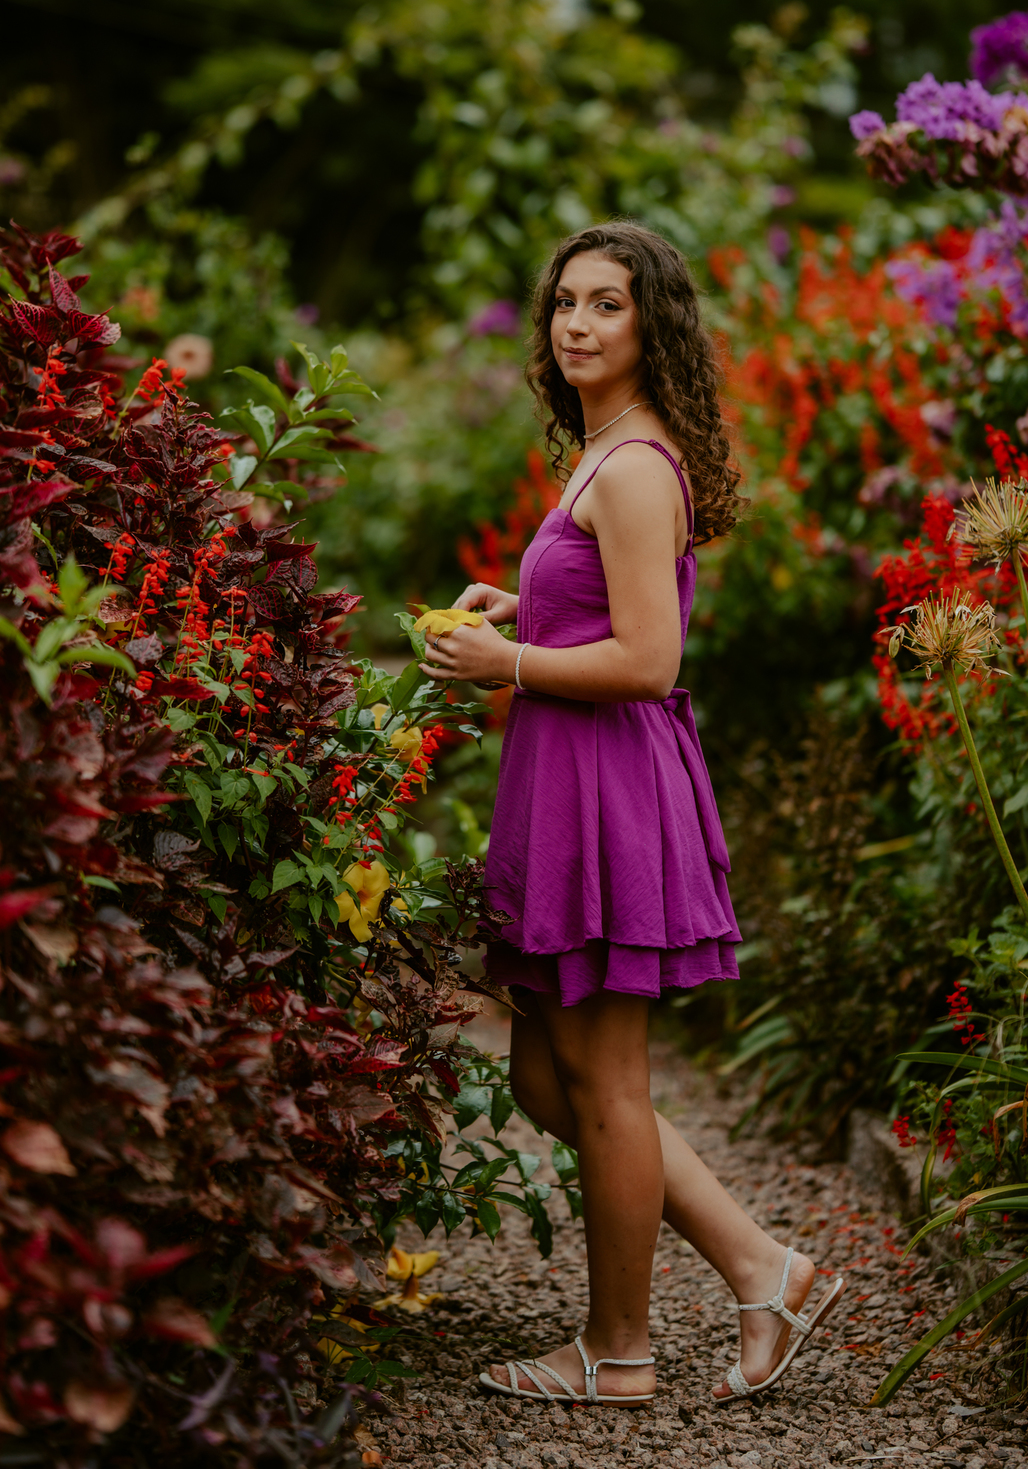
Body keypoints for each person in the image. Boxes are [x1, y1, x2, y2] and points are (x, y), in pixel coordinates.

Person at [417, 222, 845, 1407]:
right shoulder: (605, 455)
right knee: (550, 1081)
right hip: (577, 777)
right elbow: (601, 608)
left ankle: (620, 1353)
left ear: (652, 325)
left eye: (607, 304)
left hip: (610, 787)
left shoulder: (641, 466)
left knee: (599, 1082)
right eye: (564, 303)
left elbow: (651, 659)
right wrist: (525, 612)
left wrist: (509, 661)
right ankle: (762, 1264)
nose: (576, 325)